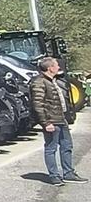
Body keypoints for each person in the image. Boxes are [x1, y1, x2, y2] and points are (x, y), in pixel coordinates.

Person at [29, 57, 85, 186]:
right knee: (51, 148)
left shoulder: (53, 81)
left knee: (67, 146)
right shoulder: (39, 82)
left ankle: (68, 173)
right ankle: (54, 176)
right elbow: (38, 105)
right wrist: (45, 123)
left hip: (60, 119)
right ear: (50, 68)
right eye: (56, 65)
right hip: (51, 120)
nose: (58, 67)